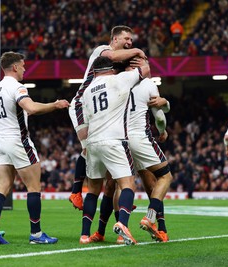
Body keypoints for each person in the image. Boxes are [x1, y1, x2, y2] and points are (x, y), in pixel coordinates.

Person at [0, 52, 69, 245]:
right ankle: (37, 234)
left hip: (0, 140)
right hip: (17, 140)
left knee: (3, 187)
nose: (25, 69)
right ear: (14, 67)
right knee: (33, 187)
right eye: (23, 66)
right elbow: (31, 108)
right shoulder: (17, 87)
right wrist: (55, 105)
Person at [86, 61, 172, 244]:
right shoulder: (147, 83)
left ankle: (111, 231)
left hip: (119, 139)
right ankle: (152, 220)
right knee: (160, 179)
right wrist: (163, 128)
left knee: (115, 186)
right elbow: (159, 116)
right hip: (140, 137)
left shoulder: (116, 81)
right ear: (139, 65)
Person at [68, 25, 146, 210]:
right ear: (115, 39)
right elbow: (112, 56)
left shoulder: (118, 66)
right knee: (88, 147)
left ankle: (121, 199)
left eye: (131, 40)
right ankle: (76, 191)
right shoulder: (102, 51)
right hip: (81, 104)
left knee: (102, 151)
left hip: (99, 110)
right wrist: (138, 51)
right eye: (126, 39)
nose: (129, 43)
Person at [79, 56, 150, 245]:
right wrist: (138, 55)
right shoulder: (118, 79)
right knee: (127, 184)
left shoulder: (86, 92)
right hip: (114, 140)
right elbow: (146, 71)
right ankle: (123, 225)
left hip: (93, 142)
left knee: (93, 190)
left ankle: (84, 235)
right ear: (111, 69)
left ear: (94, 72)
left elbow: (84, 124)